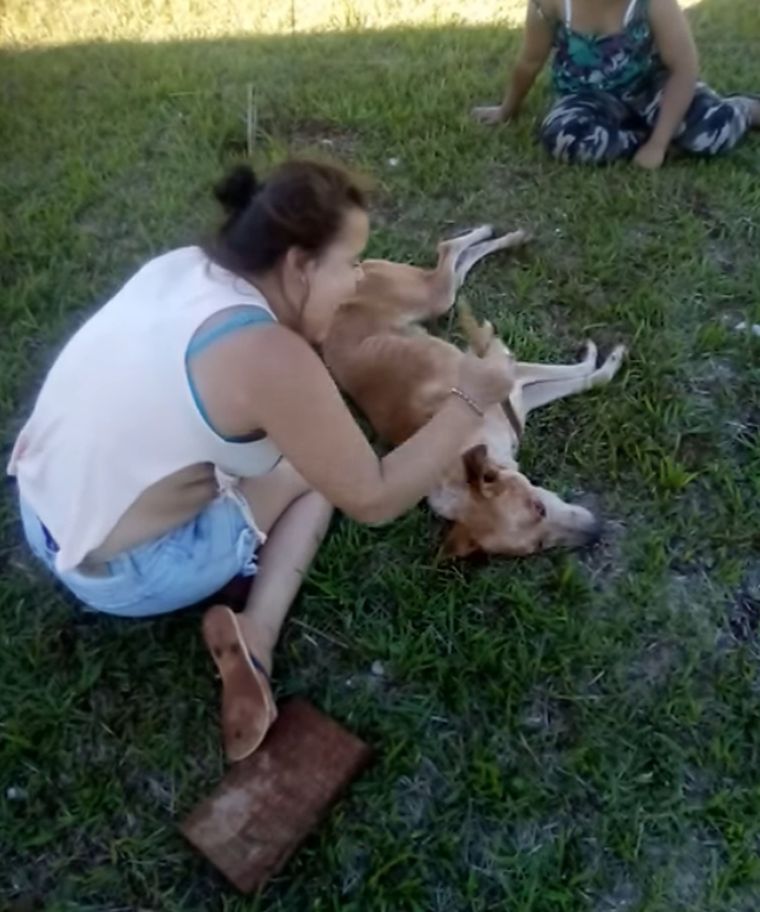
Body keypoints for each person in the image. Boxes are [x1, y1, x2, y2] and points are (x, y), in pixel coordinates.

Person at [8, 159, 515, 761]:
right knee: (319, 477)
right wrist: (470, 399)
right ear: (299, 266)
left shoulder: (179, 269)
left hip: (40, 508)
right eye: (349, 263)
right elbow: (374, 497)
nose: (357, 281)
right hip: (123, 573)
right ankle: (259, 632)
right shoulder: (270, 356)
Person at [472, 0, 760, 168]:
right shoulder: (550, 4)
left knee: (711, 132)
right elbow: (529, 61)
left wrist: (658, 145)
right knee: (566, 139)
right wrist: (506, 110)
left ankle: (745, 109)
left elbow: (683, 69)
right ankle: (652, 139)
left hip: (652, 88)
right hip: (586, 96)